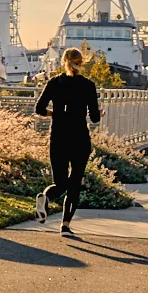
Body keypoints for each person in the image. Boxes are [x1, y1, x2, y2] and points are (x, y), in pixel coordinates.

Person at [35, 46, 101, 238]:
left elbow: (39, 108)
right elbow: (95, 118)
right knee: (74, 185)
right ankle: (65, 226)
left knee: (60, 183)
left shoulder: (54, 83)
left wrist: (55, 113)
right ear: (81, 63)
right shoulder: (88, 85)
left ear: (63, 62)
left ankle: (45, 197)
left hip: (58, 138)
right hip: (79, 138)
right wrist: (99, 112)